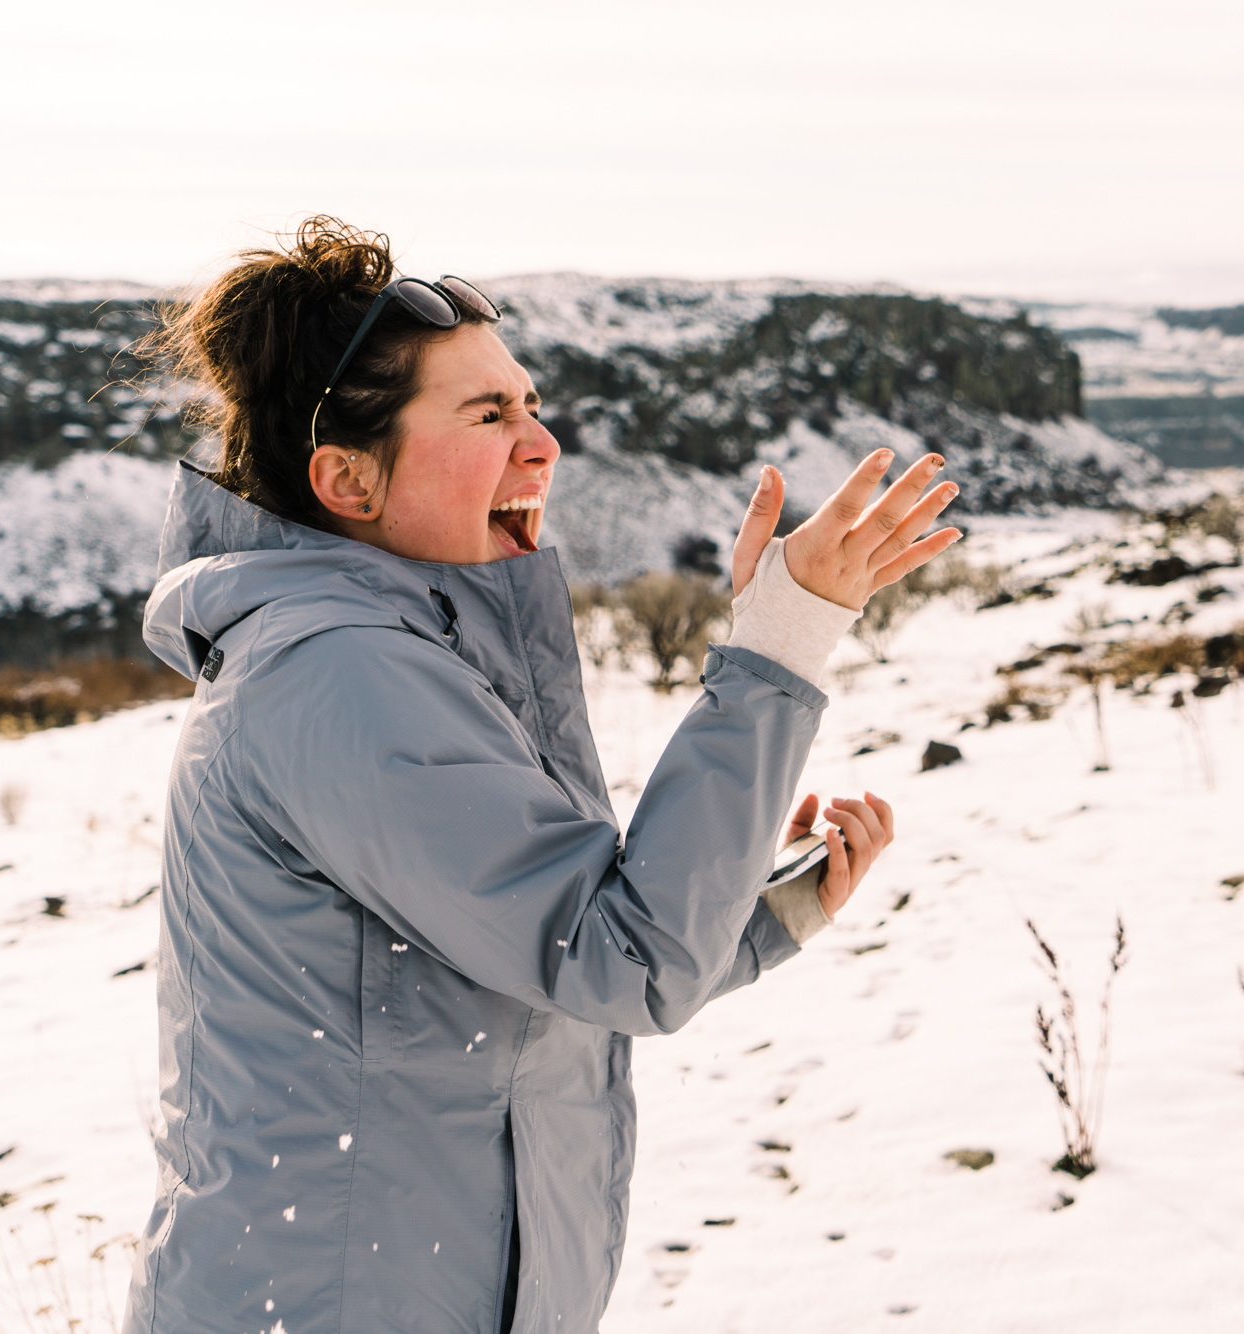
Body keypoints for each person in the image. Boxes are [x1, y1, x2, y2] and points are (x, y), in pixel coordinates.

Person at [122, 217, 960, 1334]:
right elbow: (618, 959)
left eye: (528, 402)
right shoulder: (339, 675)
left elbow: (541, 971)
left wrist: (764, 915)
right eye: (487, 413)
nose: (542, 443)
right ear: (346, 478)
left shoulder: (402, 654)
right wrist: (777, 646)